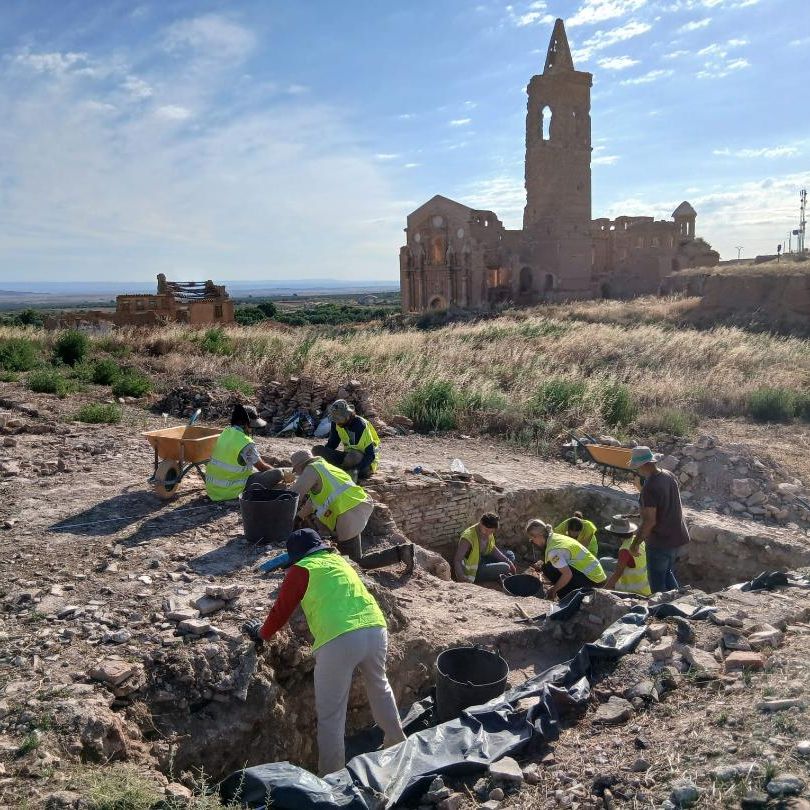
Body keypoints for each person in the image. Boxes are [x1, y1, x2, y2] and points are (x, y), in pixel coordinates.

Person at [242, 529, 407, 776]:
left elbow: (281, 610)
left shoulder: (301, 570)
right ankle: (397, 743)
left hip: (339, 639)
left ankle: (332, 776)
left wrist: (262, 634)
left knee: (331, 713)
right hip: (375, 628)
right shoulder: (339, 561)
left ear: (295, 557)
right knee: (379, 686)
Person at [289, 449, 413, 570]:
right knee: (351, 559)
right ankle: (402, 552)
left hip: (349, 512)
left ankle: (402, 553)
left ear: (300, 466)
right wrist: (300, 516)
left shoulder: (311, 470)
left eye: (297, 471)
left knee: (352, 564)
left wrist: (283, 514)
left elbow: (294, 494)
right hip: (354, 507)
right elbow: (313, 502)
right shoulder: (323, 467)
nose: (298, 474)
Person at [628, 446, 690, 593]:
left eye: (637, 467)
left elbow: (650, 522)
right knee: (667, 573)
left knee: (657, 584)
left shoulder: (649, 487)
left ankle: (661, 613)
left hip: (660, 542)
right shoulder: (668, 475)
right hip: (676, 537)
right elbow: (666, 504)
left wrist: (635, 544)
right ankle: (678, 603)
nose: (637, 470)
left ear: (642, 465)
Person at [206, 404, 283, 502]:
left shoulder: (225, 433)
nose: (252, 429)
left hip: (213, 490)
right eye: (251, 426)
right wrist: (283, 474)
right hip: (231, 492)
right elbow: (262, 467)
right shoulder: (245, 443)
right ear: (246, 424)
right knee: (277, 473)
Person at [525, 519, 606, 600]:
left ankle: (568, 598)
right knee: (548, 566)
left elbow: (567, 574)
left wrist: (553, 590)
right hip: (598, 576)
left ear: (537, 536)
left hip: (594, 582)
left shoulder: (553, 551)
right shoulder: (554, 537)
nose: (533, 542)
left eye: (532, 539)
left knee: (548, 568)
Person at [312, 400, 380, 480]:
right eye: (334, 418)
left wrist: (356, 470)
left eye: (338, 418)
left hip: (365, 463)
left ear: (347, 415)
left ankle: (343, 472)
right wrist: (323, 457)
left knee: (353, 456)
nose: (336, 421)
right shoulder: (336, 423)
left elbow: (371, 455)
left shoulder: (360, 425)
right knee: (317, 450)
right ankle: (341, 470)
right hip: (347, 458)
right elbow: (332, 443)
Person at [454, 513, 517, 584]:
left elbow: (492, 548)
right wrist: (461, 576)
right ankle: (497, 574)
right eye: (486, 530)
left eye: (491, 531)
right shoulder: (468, 538)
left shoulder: (488, 532)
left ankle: (496, 573)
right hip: (475, 571)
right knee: (505, 567)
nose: (488, 533)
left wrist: (508, 561)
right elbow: (457, 560)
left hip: (484, 558)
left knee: (510, 555)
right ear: (480, 523)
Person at [601, 516, 651, 597]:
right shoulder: (637, 540)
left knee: (603, 564)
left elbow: (617, 574)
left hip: (637, 591)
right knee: (604, 561)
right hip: (648, 588)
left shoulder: (624, 550)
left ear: (615, 534)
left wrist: (602, 591)